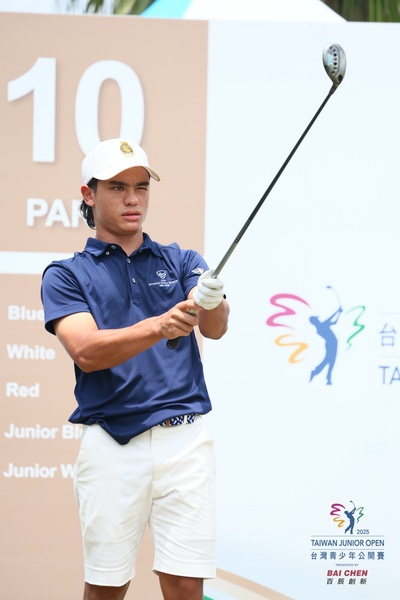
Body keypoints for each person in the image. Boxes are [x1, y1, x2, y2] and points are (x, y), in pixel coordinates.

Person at [41, 138, 230, 600]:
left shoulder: (181, 260)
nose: (133, 199)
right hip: (112, 443)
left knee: (186, 585)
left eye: (141, 187)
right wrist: (159, 325)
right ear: (88, 194)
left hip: (184, 440)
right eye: (118, 187)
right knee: (106, 587)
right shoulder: (65, 275)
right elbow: (86, 351)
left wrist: (212, 300)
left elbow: (215, 327)